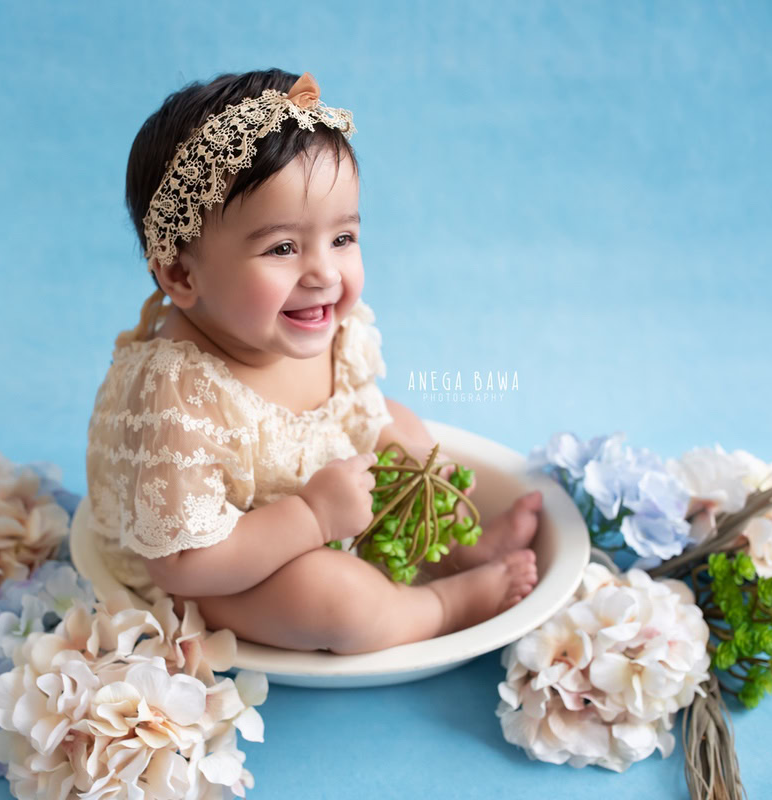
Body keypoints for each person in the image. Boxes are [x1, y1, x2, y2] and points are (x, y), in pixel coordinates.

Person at [82, 69, 542, 655]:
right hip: (217, 574)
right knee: (331, 596)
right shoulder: (178, 392)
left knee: (397, 425)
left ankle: (462, 544)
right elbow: (183, 564)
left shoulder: (321, 329)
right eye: (282, 248)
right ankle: (440, 605)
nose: (324, 273)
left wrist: (354, 474)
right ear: (181, 273)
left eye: (343, 238)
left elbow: (356, 420)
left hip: (319, 502)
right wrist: (312, 518)